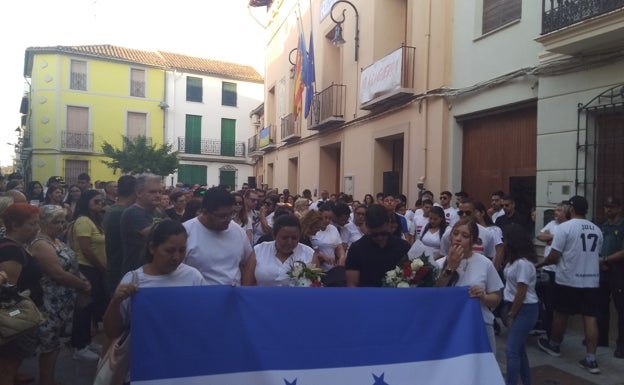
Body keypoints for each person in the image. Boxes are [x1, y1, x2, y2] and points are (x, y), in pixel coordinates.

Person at [102, 220, 205, 382]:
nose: (176, 257)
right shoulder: (133, 279)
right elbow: (112, 331)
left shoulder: (194, 277)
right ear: (152, 248)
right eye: (169, 251)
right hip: (143, 366)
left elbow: (202, 319)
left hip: (181, 364)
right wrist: (116, 301)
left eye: (182, 250)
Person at [536, 195, 603, 374]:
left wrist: (540, 264)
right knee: (590, 318)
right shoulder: (597, 229)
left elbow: (554, 255)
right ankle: (591, 359)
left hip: (568, 278)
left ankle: (554, 345)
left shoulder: (564, 228)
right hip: (591, 279)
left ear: (571, 209)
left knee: (561, 313)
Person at [29, 205, 92, 385]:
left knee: (55, 343)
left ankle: (49, 379)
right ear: (42, 223)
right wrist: (82, 284)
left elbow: (71, 265)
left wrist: (83, 279)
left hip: (63, 300)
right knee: (48, 344)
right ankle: (46, 380)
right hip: (49, 301)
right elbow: (57, 273)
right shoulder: (41, 243)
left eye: (62, 221)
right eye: (55, 222)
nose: (60, 225)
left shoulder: (57, 240)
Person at [435, 218, 503, 352]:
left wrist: (484, 297)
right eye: (455, 234)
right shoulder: (438, 264)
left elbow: (496, 298)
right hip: (450, 325)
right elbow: (435, 296)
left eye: (465, 236)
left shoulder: (485, 264)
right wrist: (450, 268)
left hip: (480, 324)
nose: (458, 239)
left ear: (473, 240)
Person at [0, 203, 42, 385]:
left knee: (13, 361)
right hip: (13, 319)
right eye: (32, 224)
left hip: (18, 318)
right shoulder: (11, 251)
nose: (37, 228)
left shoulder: (18, 246)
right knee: (8, 363)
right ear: (15, 225)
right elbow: (9, 291)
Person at [183, 187, 254, 285]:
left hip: (232, 295)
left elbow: (249, 261)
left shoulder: (238, 231)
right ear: (204, 212)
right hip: (198, 296)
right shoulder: (186, 232)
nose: (228, 219)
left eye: (231, 214)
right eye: (222, 216)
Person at [68, 189, 108, 361]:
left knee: (91, 307)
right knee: (83, 308)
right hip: (87, 268)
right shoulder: (84, 221)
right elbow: (86, 249)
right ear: (87, 202)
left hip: (95, 268)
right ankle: (79, 346)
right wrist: (101, 267)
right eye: (96, 202)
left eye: (101, 202)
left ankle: (87, 341)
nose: (100, 205)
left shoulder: (94, 220)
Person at [502, 224, 539, 385]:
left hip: (524, 308)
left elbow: (521, 292)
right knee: (519, 349)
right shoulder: (513, 261)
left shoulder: (523, 264)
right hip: (513, 305)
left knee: (511, 350)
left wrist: (512, 314)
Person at [345, 204, 411, 287]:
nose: (380, 238)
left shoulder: (403, 247)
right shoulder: (356, 249)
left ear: (388, 224)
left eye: (384, 233)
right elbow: (352, 284)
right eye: (374, 235)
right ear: (367, 227)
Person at [248, 214, 318, 286]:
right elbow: (247, 285)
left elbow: (315, 289)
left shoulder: (309, 254)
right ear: (274, 236)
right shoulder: (259, 251)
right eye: (285, 238)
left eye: (294, 238)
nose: (289, 242)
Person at [535, 201, 568, 339]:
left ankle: (553, 335)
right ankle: (546, 327)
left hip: (558, 270)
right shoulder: (552, 224)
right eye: (555, 210)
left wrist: (551, 238)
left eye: (559, 210)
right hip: (547, 269)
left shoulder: (568, 226)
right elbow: (539, 236)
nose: (556, 213)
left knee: (555, 304)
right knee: (545, 301)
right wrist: (553, 237)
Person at [120, 173, 162, 274]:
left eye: (160, 192)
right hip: (136, 273)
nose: (157, 195)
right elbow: (157, 235)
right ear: (138, 193)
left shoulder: (157, 211)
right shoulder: (133, 212)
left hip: (152, 271)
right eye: (152, 192)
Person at [598, 196, 624, 358]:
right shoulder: (604, 226)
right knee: (601, 305)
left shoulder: (622, 226)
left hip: (618, 271)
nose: (608, 210)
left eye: (612, 207)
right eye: (606, 207)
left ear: (619, 209)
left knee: (621, 309)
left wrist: (606, 259)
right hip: (602, 270)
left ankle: (621, 345)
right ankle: (601, 337)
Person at [103, 175, 136, 294]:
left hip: (114, 268)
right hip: (121, 272)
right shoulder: (123, 213)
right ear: (135, 192)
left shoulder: (112, 210)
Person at [311, 203, 345, 272]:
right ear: (319, 216)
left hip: (331, 267)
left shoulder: (333, 228)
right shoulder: (313, 229)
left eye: (330, 218)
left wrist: (342, 257)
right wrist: (321, 256)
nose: (327, 221)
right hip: (317, 268)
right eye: (325, 217)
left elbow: (339, 247)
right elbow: (309, 250)